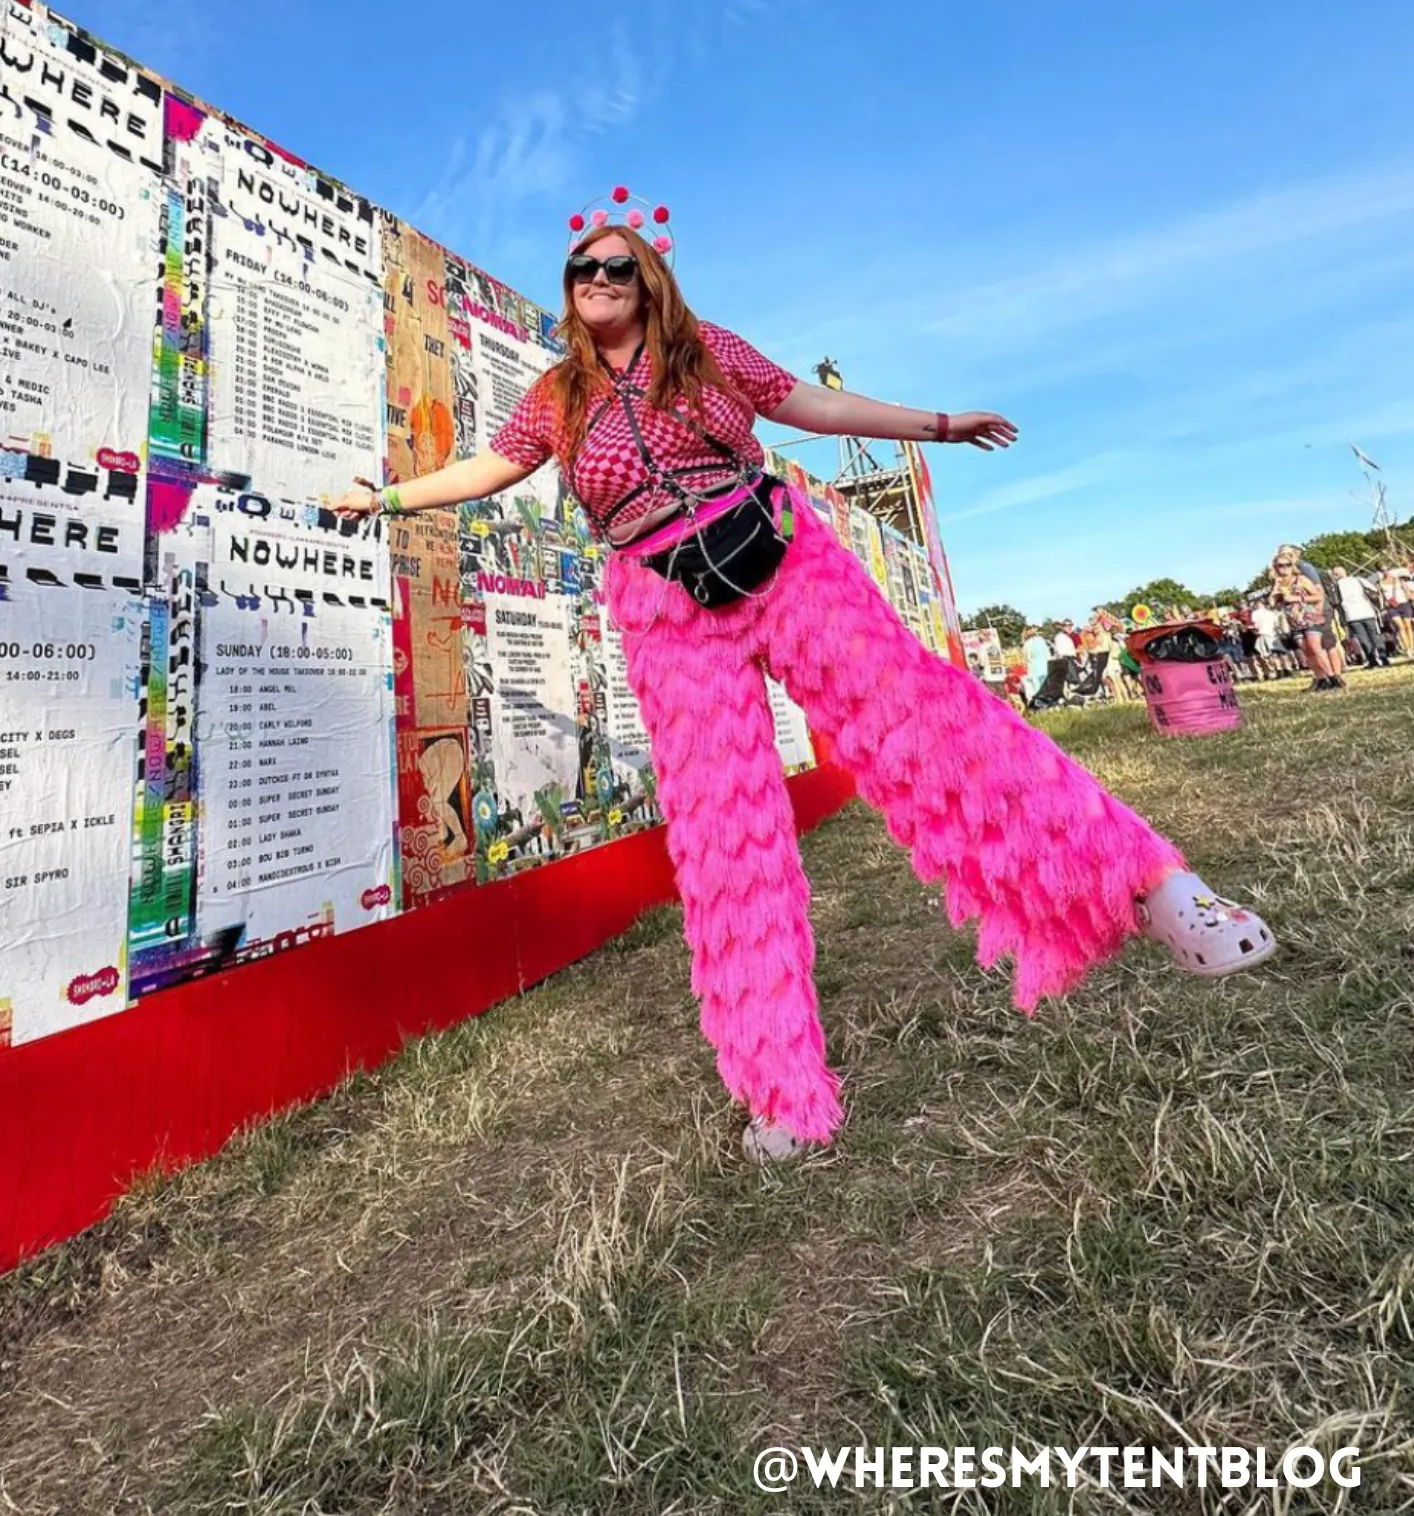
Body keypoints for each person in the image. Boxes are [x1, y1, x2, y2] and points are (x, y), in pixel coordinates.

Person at [333, 195, 1277, 1163]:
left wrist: (937, 424)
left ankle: (1154, 884)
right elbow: (489, 467)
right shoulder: (556, 395)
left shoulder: (706, 352)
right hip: (664, 604)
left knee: (921, 717)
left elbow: (810, 406)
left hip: (781, 556)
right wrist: (388, 497)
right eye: (584, 268)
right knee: (720, 832)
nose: (600, 280)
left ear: (649, 279)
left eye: (619, 266)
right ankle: (781, 1090)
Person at [1269, 547, 1342, 691]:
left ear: (1292, 566)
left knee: (1315, 647)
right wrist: (1274, 591)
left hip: (1309, 615)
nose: (1284, 568)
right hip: (1294, 620)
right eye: (1280, 565)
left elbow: (1318, 596)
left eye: (1287, 565)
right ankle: (1321, 679)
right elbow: (1272, 604)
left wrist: (1296, 598)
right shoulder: (1278, 584)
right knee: (1306, 650)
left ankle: (1333, 677)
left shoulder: (1301, 579)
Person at [1329, 566, 1387, 669]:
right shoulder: (1358, 580)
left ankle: (1372, 659)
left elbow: (1336, 602)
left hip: (1351, 615)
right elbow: (1373, 589)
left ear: (1336, 575)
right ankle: (1383, 658)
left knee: (1363, 638)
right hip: (1367, 611)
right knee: (1375, 636)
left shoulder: (1336, 586)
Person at [1379, 561, 1414, 661]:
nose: (1386, 572)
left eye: (1386, 570)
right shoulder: (1380, 583)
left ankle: (1411, 647)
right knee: (1400, 627)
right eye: (1382, 570)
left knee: (1408, 626)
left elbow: (1406, 590)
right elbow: (1381, 596)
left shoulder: (1398, 579)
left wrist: (1410, 596)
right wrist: (1383, 607)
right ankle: (1407, 650)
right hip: (1391, 607)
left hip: (1404, 603)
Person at [1020, 625, 1050, 703]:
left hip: (1034, 670)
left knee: (1037, 688)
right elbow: (1047, 653)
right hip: (1045, 667)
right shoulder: (1041, 640)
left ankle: (1040, 704)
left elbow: (1025, 659)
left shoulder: (1026, 644)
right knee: (1046, 686)